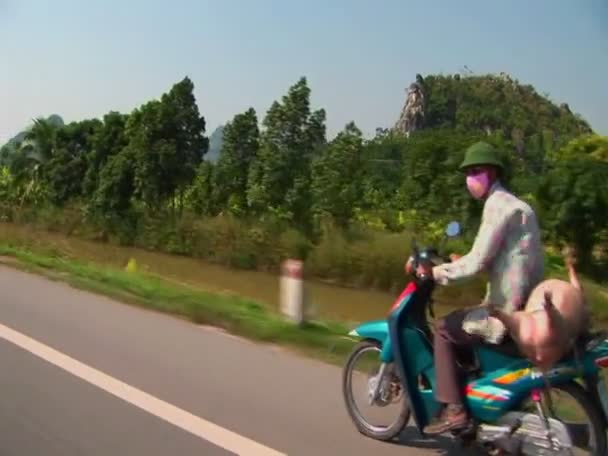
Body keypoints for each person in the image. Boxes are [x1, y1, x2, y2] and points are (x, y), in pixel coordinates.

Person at [420, 141, 545, 435]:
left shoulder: (497, 206)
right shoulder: (519, 206)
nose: (470, 179)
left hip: (505, 312)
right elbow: (506, 258)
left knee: (443, 328)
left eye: (475, 171)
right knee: (466, 320)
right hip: (529, 306)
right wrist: (460, 261)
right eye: (468, 172)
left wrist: (433, 273)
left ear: (490, 173)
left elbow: (477, 262)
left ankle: (456, 411)